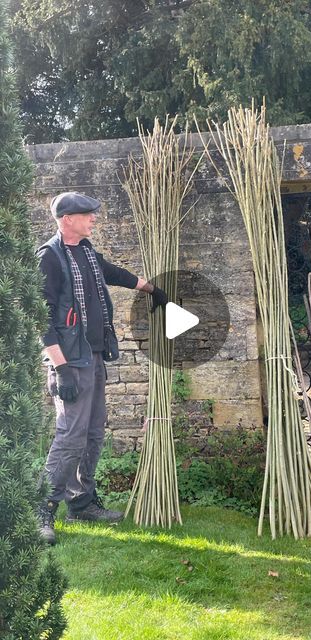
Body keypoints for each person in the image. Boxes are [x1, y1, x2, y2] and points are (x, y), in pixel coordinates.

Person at [37, 191, 167, 544]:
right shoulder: (50, 257)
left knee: (94, 432)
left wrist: (151, 289)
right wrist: (60, 368)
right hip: (70, 361)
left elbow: (112, 273)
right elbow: (42, 318)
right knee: (71, 433)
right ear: (67, 219)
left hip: (93, 356)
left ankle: (82, 504)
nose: (94, 218)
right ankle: (43, 509)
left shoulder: (87, 253)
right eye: (88, 214)